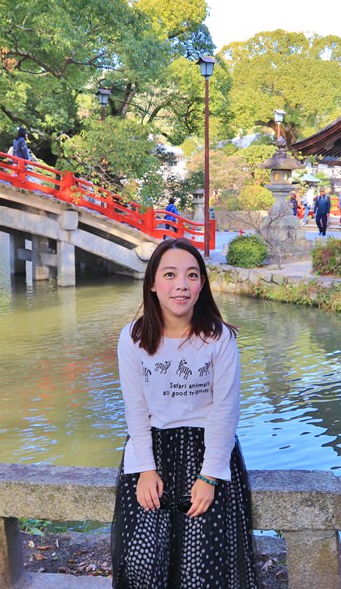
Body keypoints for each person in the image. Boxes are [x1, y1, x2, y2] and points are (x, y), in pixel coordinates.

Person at [111, 238, 259, 588]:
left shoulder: (218, 338)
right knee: (142, 561)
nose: (181, 285)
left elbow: (225, 410)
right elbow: (136, 409)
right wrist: (146, 470)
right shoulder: (133, 338)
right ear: (152, 283)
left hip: (206, 453)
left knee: (201, 567)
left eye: (192, 275)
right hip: (150, 455)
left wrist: (209, 477)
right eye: (170, 274)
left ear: (202, 284)